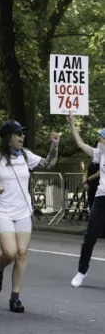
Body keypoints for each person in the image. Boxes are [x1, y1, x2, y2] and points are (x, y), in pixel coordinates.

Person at [0, 120, 60, 313]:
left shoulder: (25, 155)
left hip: (23, 211)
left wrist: (54, 145)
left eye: (23, 134)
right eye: (18, 134)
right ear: (8, 137)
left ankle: (15, 297)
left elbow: (48, 164)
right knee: (10, 253)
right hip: (2, 211)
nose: (22, 137)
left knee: (22, 254)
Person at [69, 116, 105, 288]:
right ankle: (81, 272)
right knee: (90, 236)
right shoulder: (100, 154)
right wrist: (71, 122)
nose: (99, 141)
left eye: (101, 139)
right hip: (100, 198)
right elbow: (80, 144)